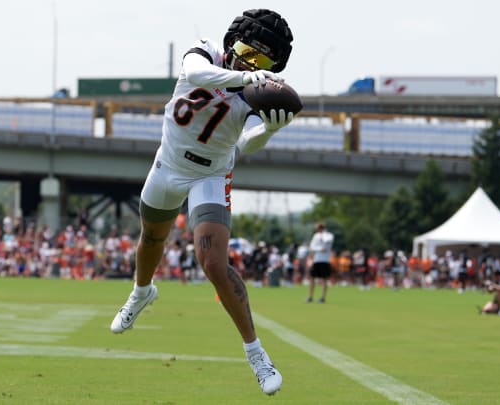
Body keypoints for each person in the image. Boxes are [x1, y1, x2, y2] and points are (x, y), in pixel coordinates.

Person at [110, 8, 294, 395]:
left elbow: (245, 145)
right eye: (246, 50)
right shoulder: (206, 53)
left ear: (273, 65)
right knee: (151, 240)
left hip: (210, 174)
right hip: (168, 164)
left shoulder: (258, 93)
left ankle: (257, 355)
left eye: (262, 60)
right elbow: (196, 75)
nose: (250, 62)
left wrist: (270, 131)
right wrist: (246, 75)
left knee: (213, 262)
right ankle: (142, 292)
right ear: (231, 42)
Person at [306, 223, 333, 303]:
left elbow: (327, 241)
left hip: (325, 260)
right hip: (317, 259)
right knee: (312, 278)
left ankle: (322, 297)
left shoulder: (329, 235)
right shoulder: (316, 236)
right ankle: (310, 296)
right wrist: (320, 248)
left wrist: (323, 234)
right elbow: (312, 246)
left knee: (324, 279)